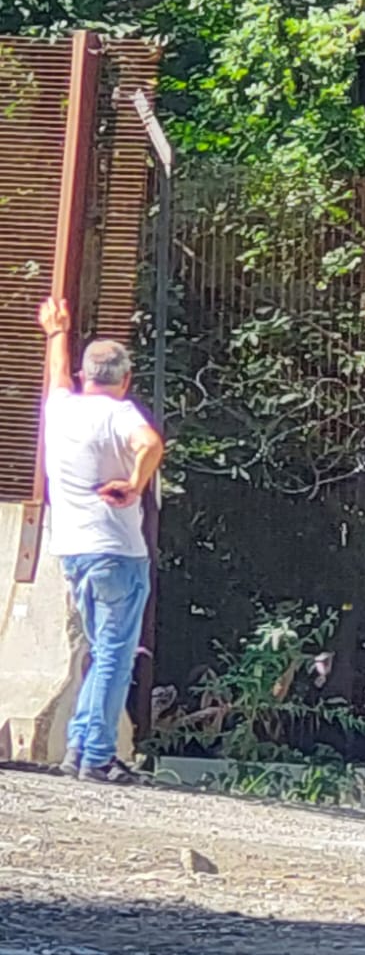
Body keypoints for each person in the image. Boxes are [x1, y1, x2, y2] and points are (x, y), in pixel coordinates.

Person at [37, 297, 164, 784]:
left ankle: (79, 747)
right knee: (114, 653)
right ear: (125, 381)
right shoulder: (121, 414)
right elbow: (151, 443)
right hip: (117, 549)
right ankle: (97, 754)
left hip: (71, 549)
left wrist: (56, 332)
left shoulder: (60, 410)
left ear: (85, 377)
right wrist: (134, 483)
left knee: (100, 650)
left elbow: (55, 377)